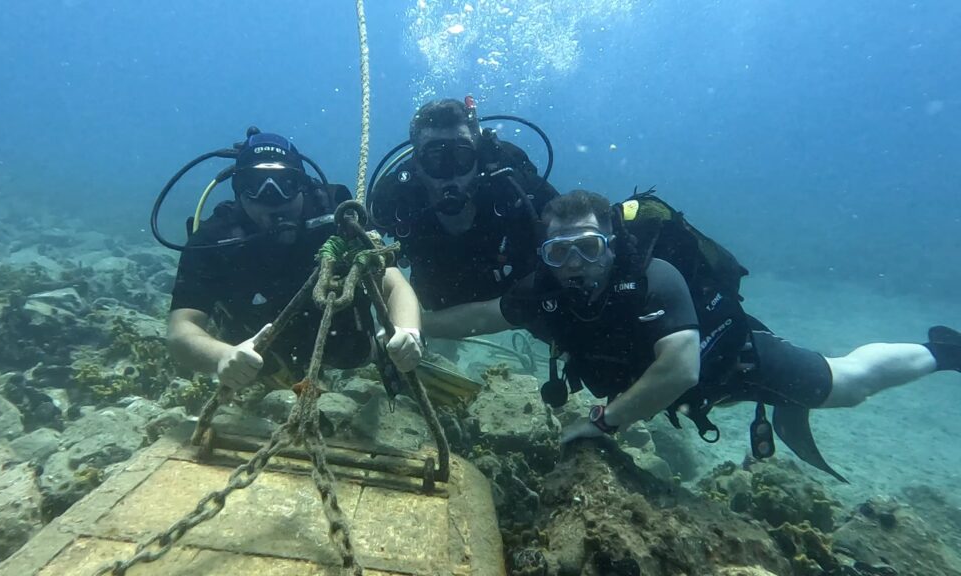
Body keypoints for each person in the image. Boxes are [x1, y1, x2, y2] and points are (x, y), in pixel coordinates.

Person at [466, 189, 961, 478]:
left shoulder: (657, 277)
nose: (576, 266)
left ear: (613, 245)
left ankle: (941, 350)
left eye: (590, 248)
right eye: (559, 253)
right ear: (545, 255)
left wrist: (603, 423)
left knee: (849, 385)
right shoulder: (541, 292)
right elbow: (484, 315)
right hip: (669, 393)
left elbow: (680, 368)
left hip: (730, 367)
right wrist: (405, 323)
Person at [167, 129, 423, 392]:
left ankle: (377, 352)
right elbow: (181, 327)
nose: (272, 198)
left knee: (354, 353)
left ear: (303, 184)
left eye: (285, 183)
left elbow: (393, 284)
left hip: (344, 343)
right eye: (255, 185)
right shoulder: (213, 240)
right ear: (238, 191)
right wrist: (221, 357)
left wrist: (408, 331)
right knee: (258, 369)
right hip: (253, 354)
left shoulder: (338, 220)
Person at [368, 98, 558, 338]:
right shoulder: (396, 196)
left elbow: (572, 225)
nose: (450, 174)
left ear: (477, 156)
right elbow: (362, 248)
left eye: (461, 156)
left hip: (518, 301)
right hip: (437, 304)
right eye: (435, 158)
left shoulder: (513, 185)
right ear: (417, 163)